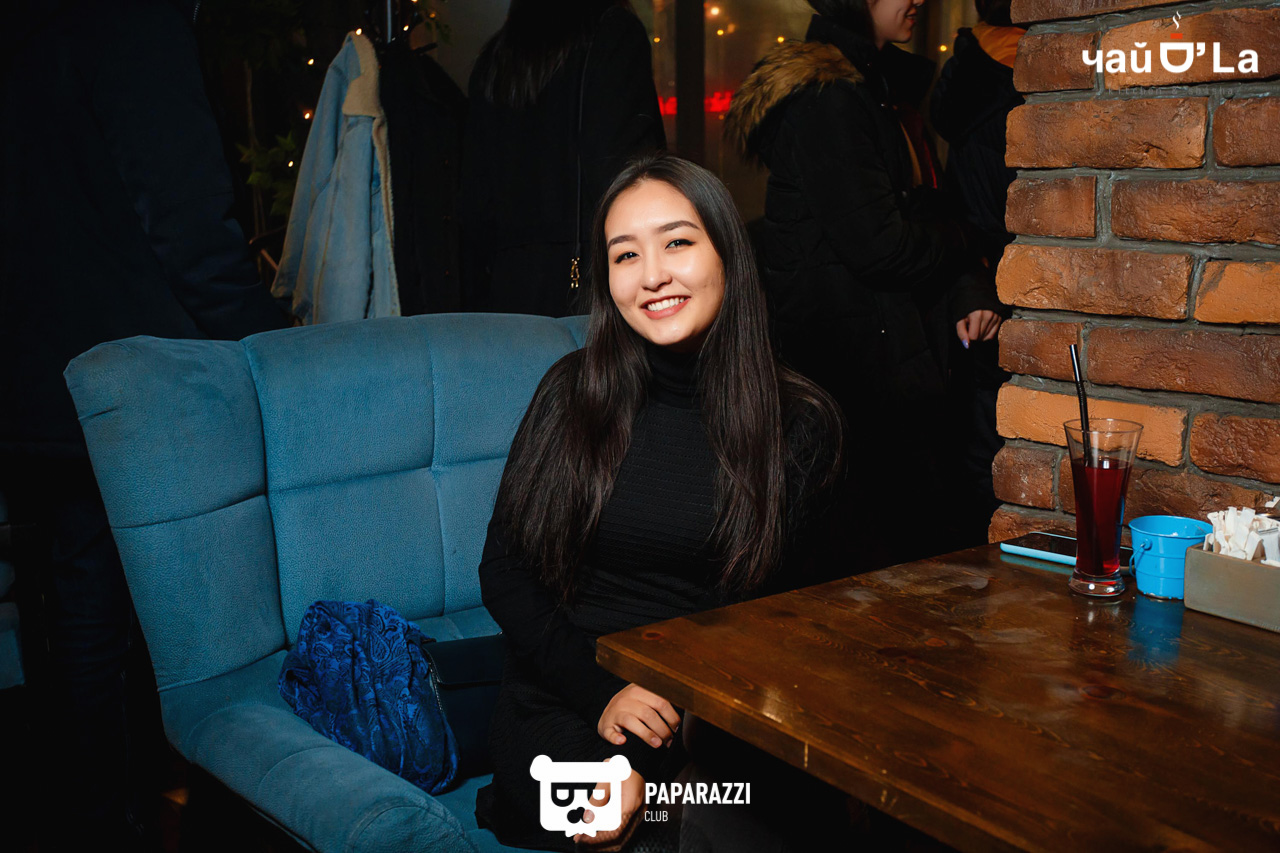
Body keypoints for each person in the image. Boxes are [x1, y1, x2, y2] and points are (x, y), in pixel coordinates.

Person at [473, 153, 846, 851]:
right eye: (625, 255)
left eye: (677, 242)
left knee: (754, 814)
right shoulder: (571, 392)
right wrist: (603, 696)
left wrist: (650, 758)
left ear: (727, 254)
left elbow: (777, 621)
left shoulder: (799, 421)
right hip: (565, 701)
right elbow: (504, 571)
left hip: (710, 712)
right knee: (618, 819)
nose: (651, 276)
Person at [0, 0, 290, 847]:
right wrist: (282, 354)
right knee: (152, 627)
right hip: (129, 378)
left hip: (31, 372)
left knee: (70, 614)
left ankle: (95, 817)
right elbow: (189, 222)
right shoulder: (131, 19)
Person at [725, 0, 1005, 571]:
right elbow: (884, 246)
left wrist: (967, 284)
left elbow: (923, 210)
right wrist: (966, 237)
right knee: (868, 566)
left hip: (885, 362)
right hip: (847, 378)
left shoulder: (876, 89)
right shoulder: (828, 99)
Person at [459, 0, 666, 317]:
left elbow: (476, 201)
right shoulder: (613, 34)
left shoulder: (495, 59)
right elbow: (627, 177)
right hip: (592, 282)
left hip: (508, 290)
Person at [930, 0, 1027, 546]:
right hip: (1001, 289)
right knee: (989, 452)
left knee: (980, 443)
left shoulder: (974, 64)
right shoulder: (1019, 74)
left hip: (979, 282)